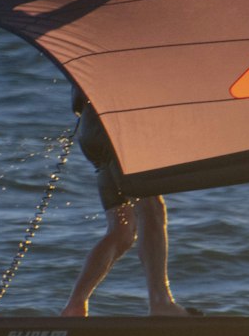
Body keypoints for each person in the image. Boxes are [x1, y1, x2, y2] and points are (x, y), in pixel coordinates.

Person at [60, 87, 194, 318]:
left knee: (122, 229)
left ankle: (75, 305)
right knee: (151, 210)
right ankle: (160, 302)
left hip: (92, 130)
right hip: (117, 127)